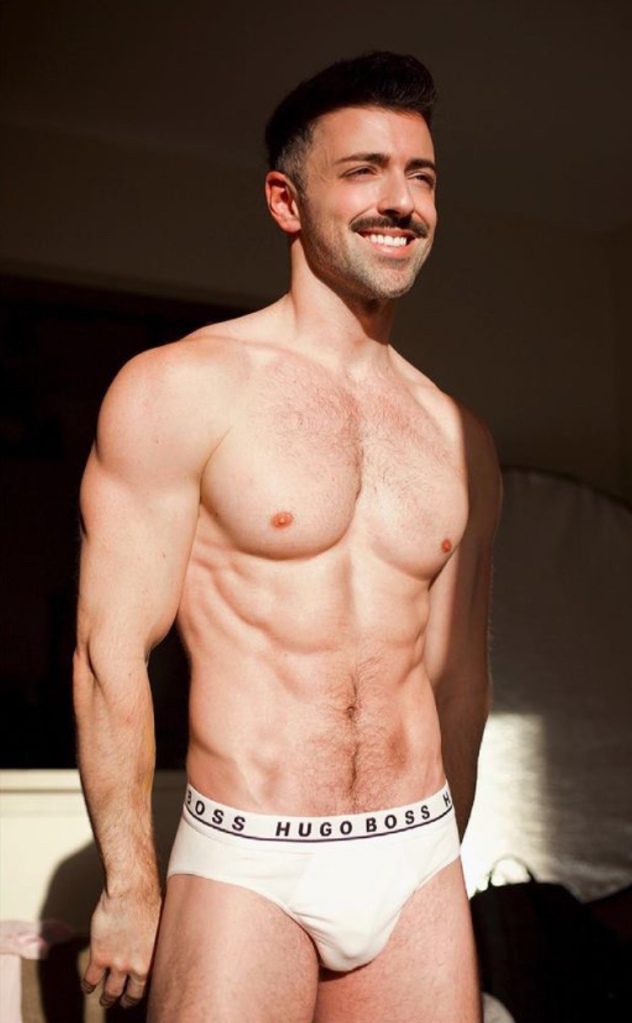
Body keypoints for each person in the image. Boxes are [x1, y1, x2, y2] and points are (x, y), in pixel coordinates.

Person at [73, 51, 501, 1023]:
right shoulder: (180, 387)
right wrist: (131, 882)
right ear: (285, 201)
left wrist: (440, 853)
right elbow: (109, 653)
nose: (401, 201)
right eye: (364, 171)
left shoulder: (458, 435)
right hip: (248, 856)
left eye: (421, 175)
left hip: (415, 854)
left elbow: (461, 683)